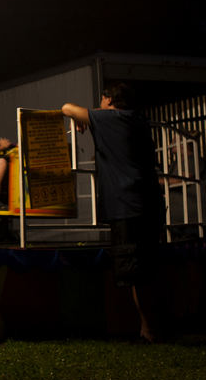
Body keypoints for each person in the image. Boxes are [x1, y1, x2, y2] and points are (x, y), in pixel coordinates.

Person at [62, 83, 165, 343]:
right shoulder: (136, 120)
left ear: (108, 99)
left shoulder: (109, 118)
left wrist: (84, 117)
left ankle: (148, 329)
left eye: (102, 100)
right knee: (150, 267)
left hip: (126, 204)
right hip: (149, 201)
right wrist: (89, 118)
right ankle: (155, 324)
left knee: (134, 271)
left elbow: (67, 108)